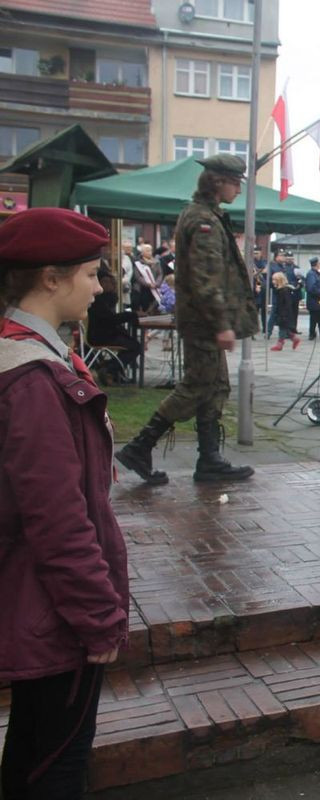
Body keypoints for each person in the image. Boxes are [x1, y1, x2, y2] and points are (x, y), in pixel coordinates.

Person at [0, 208, 129, 798]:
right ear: (49, 279)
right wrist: (99, 618)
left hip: (40, 604)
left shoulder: (34, 357)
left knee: (33, 751)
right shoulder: (32, 379)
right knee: (54, 763)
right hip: (54, 615)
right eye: (91, 275)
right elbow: (57, 519)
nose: (99, 288)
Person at [115, 154, 258, 485]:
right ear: (217, 182)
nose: (238, 188)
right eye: (235, 182)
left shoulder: (205, 215)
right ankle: (140, 446)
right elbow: (206, 278)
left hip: (202, 321)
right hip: (204, 322)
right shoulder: (203, 221)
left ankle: (209, 460)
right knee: (196, 386)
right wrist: (222, 323)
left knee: (215, 386)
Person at [86, 267, 142, 380]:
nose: (109, 284)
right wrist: (133, 315)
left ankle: (111, 369)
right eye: (105, 282)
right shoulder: (98, 300)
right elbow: (110, 319)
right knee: (135, 346)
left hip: (104, 333)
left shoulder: (106, 298)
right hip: (100, 336)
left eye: (110, 282)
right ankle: (109, 368)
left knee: (131, 343)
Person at [269, 272, 301, 351]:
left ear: (279, 280)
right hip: (282, 313)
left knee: (282, 329)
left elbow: (286, 304)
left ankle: (280, 344)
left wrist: (283, 314)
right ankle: (294, 338)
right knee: (284, 329)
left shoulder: (284, 290)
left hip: (284, 314)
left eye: (274, 280)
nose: (273, 281)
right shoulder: (280, 290)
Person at [304, 256, 320, 340]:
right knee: (314, 319)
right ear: (316, 264)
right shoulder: (311, 274)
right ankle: (312, 334)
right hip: (314, 301)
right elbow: (311, 287)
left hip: (318, 301)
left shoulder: (316, 273)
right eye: (319, 263)